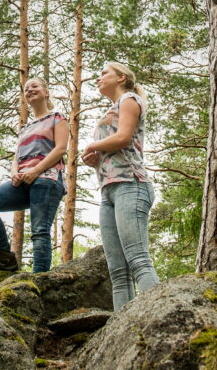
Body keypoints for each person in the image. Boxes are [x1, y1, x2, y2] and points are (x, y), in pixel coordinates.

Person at [81, 62, 159, 310]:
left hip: (131, 185)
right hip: (108, 191)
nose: (99, 78)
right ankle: (122, 328)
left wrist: (92, 146)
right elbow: (114, 148)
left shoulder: (129, 99)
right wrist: (94, 159)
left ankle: (158, 315)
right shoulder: (113, 107)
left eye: (104, 73)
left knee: (138, 259)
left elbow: (124, 137)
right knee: (117, 271)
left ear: (121, 77)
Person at [0, 78, 68, 272]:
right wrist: (14, 174)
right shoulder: (25, 127)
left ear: (46, 92)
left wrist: (35, 170)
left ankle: (40, 279)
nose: (30, 90)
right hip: (23, 182)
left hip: (47, 179)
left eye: (35, 86)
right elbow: (16, 157)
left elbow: (60, 149)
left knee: (39, 230)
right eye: (26, 89)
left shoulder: (57, 118)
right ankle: (4, 259)